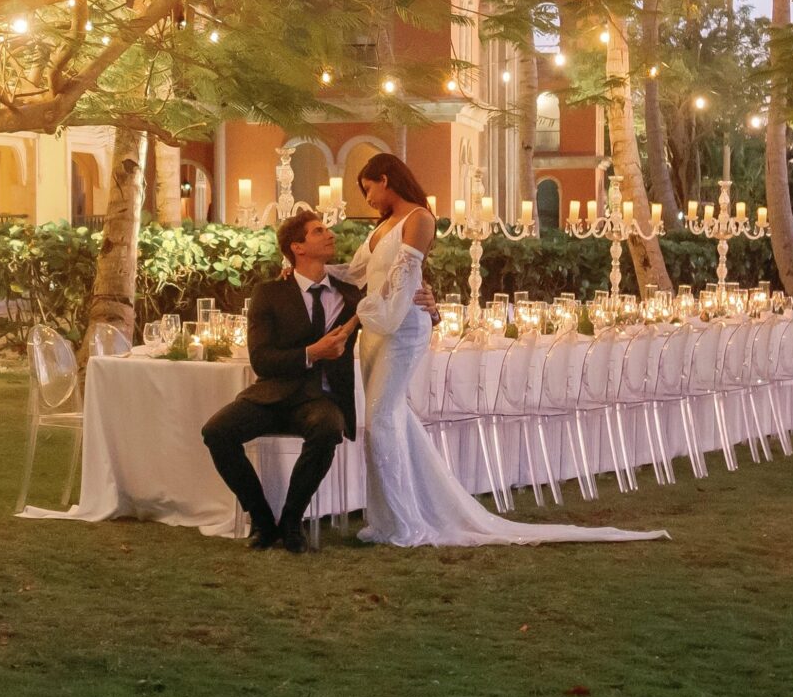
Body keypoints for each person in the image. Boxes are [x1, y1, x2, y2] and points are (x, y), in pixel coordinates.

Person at [338, 151, 667, 549]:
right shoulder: (383, 226)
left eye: (367, 188)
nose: (366, 197)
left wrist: (370, 312)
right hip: (377, 330)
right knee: (392, 419)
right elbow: (355, 272)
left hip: (400, 327)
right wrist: (304, 270)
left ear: (385, 179)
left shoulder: (419, 219)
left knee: (381, 419)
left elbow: (404, 281)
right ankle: (393, 515)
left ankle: (403, 523)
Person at [199, 209, 359, 551]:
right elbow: (262, 359)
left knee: (328, 428)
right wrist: (311, 352)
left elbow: (394, 295)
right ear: (297, 247)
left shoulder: (351, 295)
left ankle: (291, 521)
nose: (330, 234)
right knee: (216, 431)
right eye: (319, 231)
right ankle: (261, 519)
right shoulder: (269, 293)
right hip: (272, 395)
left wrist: (430, 308)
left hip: (321, 399)